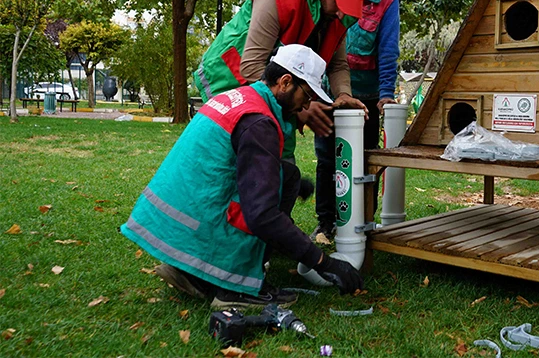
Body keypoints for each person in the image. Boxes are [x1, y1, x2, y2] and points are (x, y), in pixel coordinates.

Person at [123, 45, 364, 310]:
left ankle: (192, 272)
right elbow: (262, 215)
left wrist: (290, 185)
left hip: (177, 219)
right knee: (263, 202)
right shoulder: (259, 122)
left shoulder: (243, 97)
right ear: (285, 82)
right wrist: (324, 263)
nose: (307, 105)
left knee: (288, 175)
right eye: (306, 95)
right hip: (196, 220)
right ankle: (233, 290)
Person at [193, 0, 372, 161]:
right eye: (340, 2)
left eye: (349, 6)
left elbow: (337, 64)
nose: (342, 13)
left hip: (281, 90)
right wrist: (301, 108)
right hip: (227, 77)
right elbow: (251, 66)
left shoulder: (339, 16)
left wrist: (343, 95)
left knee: (280, 151)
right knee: (234, 153)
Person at [311, 0, 401, 241]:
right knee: (326, 157)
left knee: (363, 159)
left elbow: (388, 49)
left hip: (367, 94)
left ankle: (362, 220)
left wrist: (386, 93)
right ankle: (325, 223)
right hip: (329, 86)